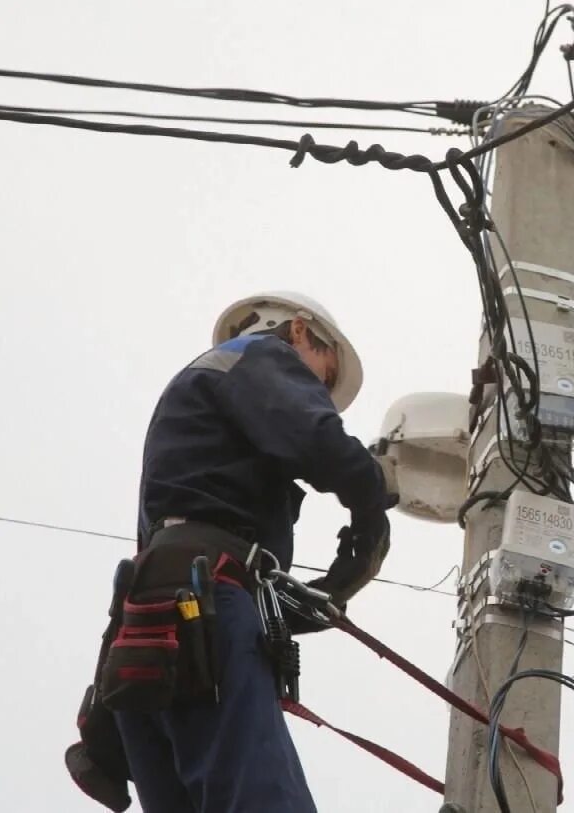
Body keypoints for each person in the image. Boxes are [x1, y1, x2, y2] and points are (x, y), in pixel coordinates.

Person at [114, 291, 394, 813]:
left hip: (153, 630)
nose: (318, 393)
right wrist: (372, 495)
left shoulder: (197, 422)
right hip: (203, 609)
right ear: (297, 332)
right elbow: (318, 441)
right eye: (323, 376)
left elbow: (249, 583)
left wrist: (333, 592)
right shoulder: (258, 357)